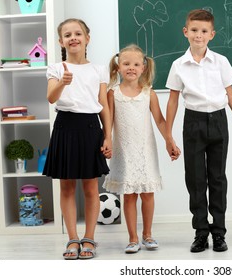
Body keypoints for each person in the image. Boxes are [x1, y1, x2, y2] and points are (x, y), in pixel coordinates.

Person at [165, 9, 232, 253]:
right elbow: (172, 101)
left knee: (217, 178)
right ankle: (201, 232)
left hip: (218, 121)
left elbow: (231, 96)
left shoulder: (220, 62)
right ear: (185, 32)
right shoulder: (178, 65)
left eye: (204, 31)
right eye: (194, 30)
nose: (198, 35)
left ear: (212, 34)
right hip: (192, 122)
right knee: (195, 179)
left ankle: (219, 233)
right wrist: (168, 136)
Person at [43, 18, 112, 260]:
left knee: (92, 187)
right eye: (68, 35)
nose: (73, 38)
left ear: (87, 38)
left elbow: (104, 105)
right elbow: (51, 98)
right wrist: (62, 82)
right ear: (61, 41)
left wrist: (108, 136)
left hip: (91, 127)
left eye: (78, 33)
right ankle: (73, 238)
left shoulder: (99, 69)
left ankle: (89, 238)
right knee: (67, 186)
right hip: (65, 126)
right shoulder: (55, 68)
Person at [102, 44, 180, 254]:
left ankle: (147, 234)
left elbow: (160, 121)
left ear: (143, 68)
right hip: (124, 151)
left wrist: (169, 141)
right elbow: (107, 122)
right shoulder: (113, 93)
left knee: (147, 193)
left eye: (136, 64)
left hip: (146, 151)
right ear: (118, 67)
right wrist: (106, 141)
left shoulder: (149, 94)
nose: (131, 68)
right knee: (129, 195)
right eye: (126, 64)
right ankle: (132, 238)